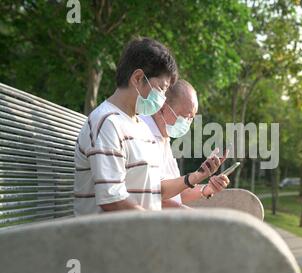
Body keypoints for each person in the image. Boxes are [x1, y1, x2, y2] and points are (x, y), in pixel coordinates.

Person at [74, 37, 225, 215]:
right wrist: (156, 222)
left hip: (140, 231)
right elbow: (112, 200)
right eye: (161, 89)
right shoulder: (107, 122)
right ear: (138, 78)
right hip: (111, 237)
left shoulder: (140, 126)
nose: (162, 100)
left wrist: (196, 177)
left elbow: (158, 189)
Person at [140, 80, 230, 208]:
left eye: (191, 118)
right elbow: (151, 194)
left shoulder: (164, 137)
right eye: (185, 116)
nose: (187, 122)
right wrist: (186, 214)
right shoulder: (141, 134)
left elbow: (176, 193)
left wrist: (207, 188)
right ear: (163, 108)